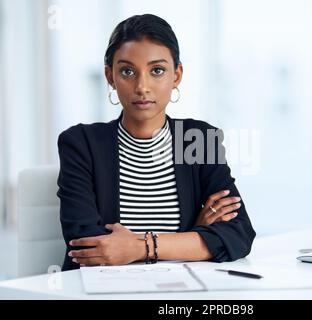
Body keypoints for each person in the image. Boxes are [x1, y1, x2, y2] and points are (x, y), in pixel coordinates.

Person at [57, 14, 255, 271]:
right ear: (110, 76)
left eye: (157, 71)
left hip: (180, 293)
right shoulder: (81, 144)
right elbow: (88, 247)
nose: (142, 86)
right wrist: (194, 236)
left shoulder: (196, 140)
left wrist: (138, 247)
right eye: (127, 71)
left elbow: (237, 235)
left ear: (176, 75)